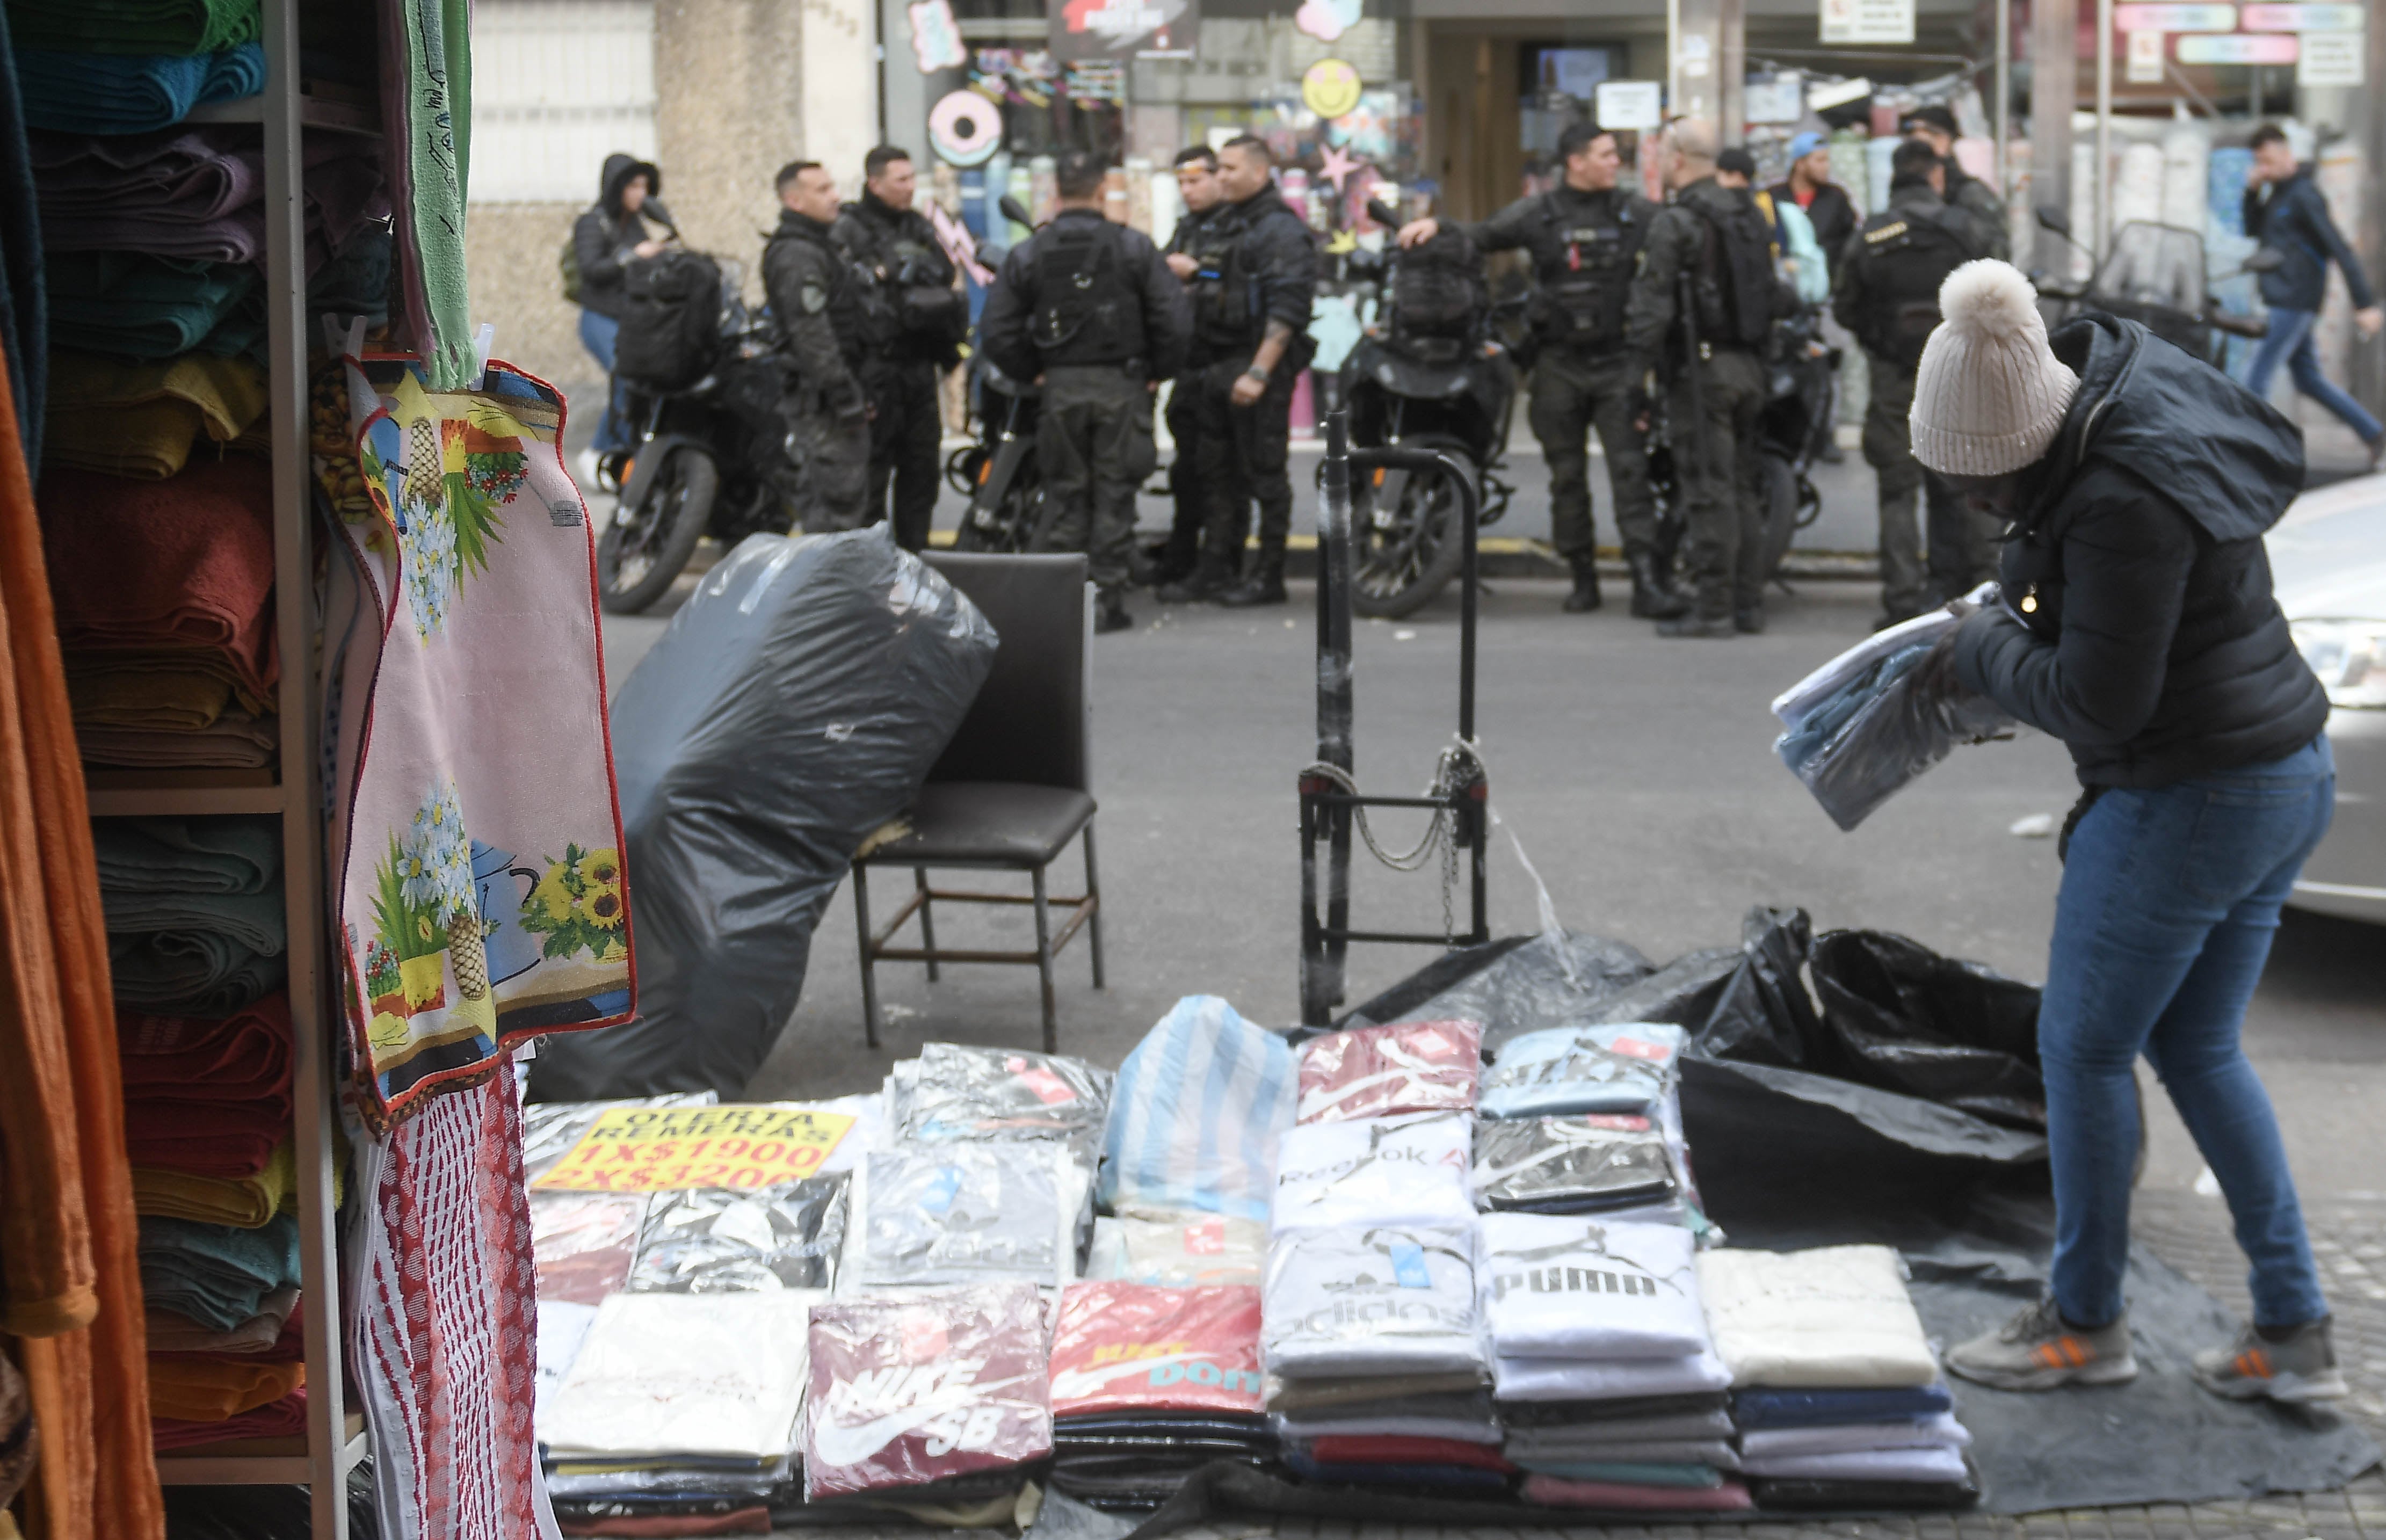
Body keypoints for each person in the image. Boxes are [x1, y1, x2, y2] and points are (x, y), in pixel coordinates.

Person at [1910, 259, 2344, 1406]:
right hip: (2280, 769)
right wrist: (2012, 608)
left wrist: (1980, 648)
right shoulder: (2113, 408)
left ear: (2014, 450)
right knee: (2197, 1048)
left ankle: (2083, 1324)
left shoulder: (2116, 502)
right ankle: (2291, 1329)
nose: (1978, 507)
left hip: (2190, 794)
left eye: (1977, 487)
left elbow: (2104, 701)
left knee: (2085, 1050)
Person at [1397, 120, 1683, 618]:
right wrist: (1437, 227)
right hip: (1557, 364)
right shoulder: (1540, 212)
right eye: (1606, 154)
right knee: (1566, 478)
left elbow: (1681, 240)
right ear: (1576, 162)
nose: (1617, 162)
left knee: (1630, 475)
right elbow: (1482, 235)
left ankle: (1645, 580)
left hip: (1617, 363)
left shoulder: (1636, 211)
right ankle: (1582, 578)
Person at [978, 149, 1191, 634]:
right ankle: (1106, 600)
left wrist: (1033, 371)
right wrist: (1157, 371)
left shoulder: (1030, 251)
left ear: (1054, 194)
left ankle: (1066, 601)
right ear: (1101, 192)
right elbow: (1173, 321)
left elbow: (997, 329)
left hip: (1060, 388)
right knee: (1114, 494)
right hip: (1122, 384)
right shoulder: (1134, 247)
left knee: (1066, 494)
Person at [1624, 118, 1789, 638]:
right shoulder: (1748, 214)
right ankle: (1747, 603)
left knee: (1706, 488)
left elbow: (1651, 311)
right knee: (1740, 485)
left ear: (1676, 159)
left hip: (1703, 371)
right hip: (1750, 367)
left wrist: (1635, 381)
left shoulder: (1678, 221)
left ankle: (1714, 608)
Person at [1833, 137, 1995, 628]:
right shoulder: (1966, 228)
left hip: (1893, 379)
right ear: (1935, 176)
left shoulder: (1872, 234)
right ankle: (1970, 593)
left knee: (1896, 490)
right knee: (1963, 485)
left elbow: (1845, 306)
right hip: (1957, 376)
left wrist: (1881, 344)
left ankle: (1901, 602)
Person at [1185, 134, 1319, 608]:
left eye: (1229, 169)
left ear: (1259, 174)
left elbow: (1288, 309)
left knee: (1265, 476)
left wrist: (1259, 373)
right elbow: (1222, 279)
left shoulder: (1280, 229)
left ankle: (1269, 576)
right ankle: (1219, 569)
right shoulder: (1229, 223)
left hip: (1255, 366)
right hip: (1219, 364)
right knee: (1218, 475)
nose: (1219, 177)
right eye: (1217, 169)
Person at [832, 146, 964, 551]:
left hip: (918, 369)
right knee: (871, 478)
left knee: (921, 475)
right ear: (875, 183)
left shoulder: (917, 227)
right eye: (901, 180)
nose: (910, 187)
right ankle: (872, 569)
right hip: (876, 370)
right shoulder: (849, 228)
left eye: (912, 179)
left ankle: (914, 563)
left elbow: (944, 274)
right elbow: (847, 300)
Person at [2241, 122, 2386, 468]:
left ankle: (2251, 455)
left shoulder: (2305, 195)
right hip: (2282, 296)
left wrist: (2364, 302)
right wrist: (2252, 192)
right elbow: (2252, 229)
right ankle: (2375, 434)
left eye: (2271, 160)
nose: (2266, 168)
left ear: (2287, 154)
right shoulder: (2277, 193)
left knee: (2256, 378)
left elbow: (2339, 247)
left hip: (2296, 299)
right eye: (2261, 162)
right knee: (2309, 379)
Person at [762, 161, 872, 531]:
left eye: (832, 186)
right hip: (822, 401)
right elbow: (813, 335)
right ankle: (828, 588)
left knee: (837, 501)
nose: (835, 196)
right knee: (836, 506)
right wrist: (844, 396)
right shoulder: (797, 255)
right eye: (822, 190)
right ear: (794, 200)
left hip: (835, 393)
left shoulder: (823, 245)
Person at [1152, 146, 1241, 599]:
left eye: (1196, 180)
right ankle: (1182, 557)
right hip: (1189, 364)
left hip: (1225, 362)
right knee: (1186, 472)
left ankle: (1220, 564)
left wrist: (1199, 272)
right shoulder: (1187, 227)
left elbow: (1242, 287)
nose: (1188, 190)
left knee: (1221, 475)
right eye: (1181, 183)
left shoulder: (1237, 224)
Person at [571, 153, 672, 477]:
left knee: (642, 376)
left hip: (632, 319)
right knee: (624, 374)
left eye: (644, 186)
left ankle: (628, 452)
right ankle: (600, 448)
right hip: (600, 317)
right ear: (617, 188)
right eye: (633, 186)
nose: (640, 193)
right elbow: (592, 269)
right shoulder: (593, 222)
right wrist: (632, 256)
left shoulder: (636, 225)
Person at [1898, 105, 2009, 261]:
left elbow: (1995, 252)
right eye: (1911, 133)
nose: (1919, 138)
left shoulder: (1970, 193)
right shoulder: (1903, 188)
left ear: (1948, 140)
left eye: (1931, 132)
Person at [1769, 130, 1856, 282]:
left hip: (1830, 283)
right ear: (1800, 164)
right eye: (1820, 161)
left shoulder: (1836, 197)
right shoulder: (1775, 197)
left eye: (1827, 160)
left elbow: (1851, 241)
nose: (1826, 166)